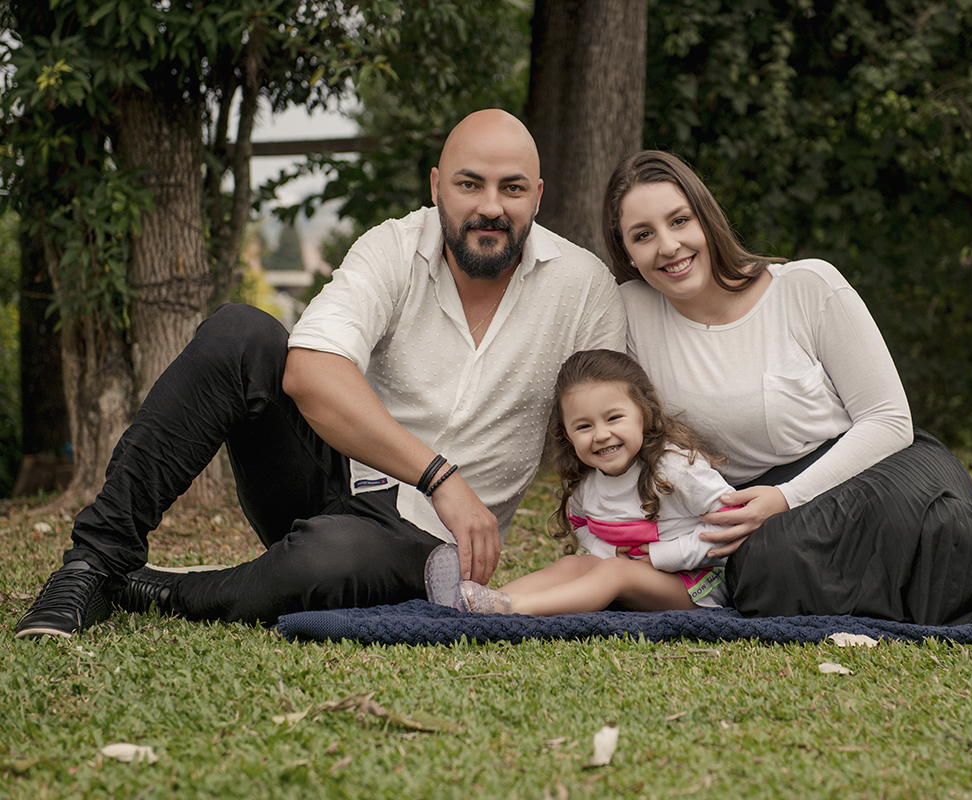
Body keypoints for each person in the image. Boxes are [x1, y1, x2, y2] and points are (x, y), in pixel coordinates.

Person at [14, 109, 626, 639]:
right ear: (438, 186)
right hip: (337, 478)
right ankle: (92, 566)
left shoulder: (582, 288)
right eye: (470, 184)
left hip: (432, 547)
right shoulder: (392, 247)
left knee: (328, 558)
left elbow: (618, 423)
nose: (490, 207)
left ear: (537, 196)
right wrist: (439, 475)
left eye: (511, 188)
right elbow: (309, 370)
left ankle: (160, 593)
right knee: (239, 334)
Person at [601, 149, 972, 633]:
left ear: (706, 217)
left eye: (680, 221)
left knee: (912, 527)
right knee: (767, 573)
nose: (669, 246)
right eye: (643, 234)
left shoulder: (806, 287)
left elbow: (888, 420)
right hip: (756, 508)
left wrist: (786, 498)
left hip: (875, 465)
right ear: (625, 251)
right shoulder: (629, 313)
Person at [426, 349, 736, 615]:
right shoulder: (586, 481)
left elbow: (729, 522)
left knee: (615, 573)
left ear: (645, 412)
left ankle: (513, 609)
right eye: (584, 426)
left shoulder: (674, 467)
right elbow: (581, 524)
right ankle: (480, 602)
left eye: (614, 418)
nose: (601, 435)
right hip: (633, 576)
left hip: (699, 585)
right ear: (567, 435)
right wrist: (608, 552)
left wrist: (659, 556)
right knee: (571, 565)